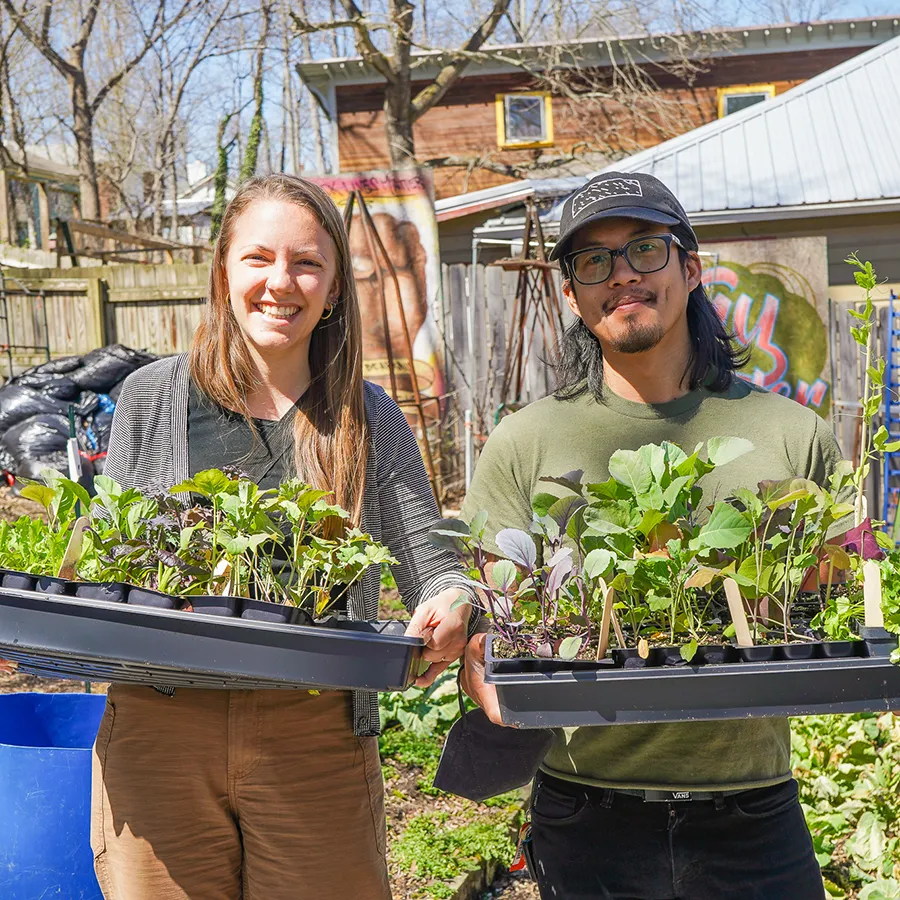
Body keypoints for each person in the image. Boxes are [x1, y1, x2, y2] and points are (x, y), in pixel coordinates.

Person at [459, 172, 840, 899]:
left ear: (690, 269)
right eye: (593, 262)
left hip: (753, 810)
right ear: (571, 293)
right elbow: (492, 625)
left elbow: (835, 609)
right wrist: (482, 667)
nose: (622, 275)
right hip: (586, 811)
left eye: (644, 250)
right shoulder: (523, 442)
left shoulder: (795, 436)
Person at [92, 174, 472, 900]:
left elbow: (438, 569)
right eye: (258, 258)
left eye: (306, 263)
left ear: (333, 289)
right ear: (223, 273)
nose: (280, 282)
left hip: (315, 733)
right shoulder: (151, 398)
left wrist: (452, 604)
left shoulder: (367, 418)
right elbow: (109, 553)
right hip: (160, 724)